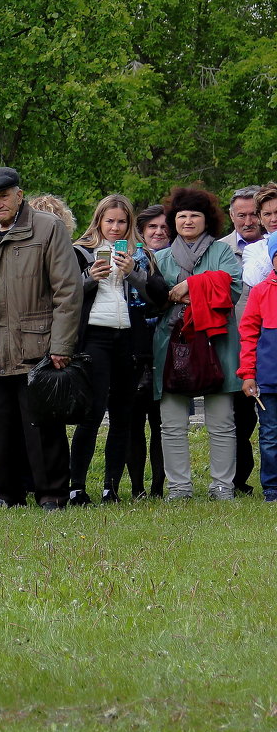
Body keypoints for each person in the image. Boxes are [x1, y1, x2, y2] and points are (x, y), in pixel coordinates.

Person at [0, 167, 81, 510]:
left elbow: (67, 292)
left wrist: (61, 345)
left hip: (38, 348)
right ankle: (5, 494)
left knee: (42, 426)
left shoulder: (48, 228)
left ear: (18, 195)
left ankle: (52, 493)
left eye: (3, 197)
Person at [68, 195, 168, 504]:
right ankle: (77, 487)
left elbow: (158, 300)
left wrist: (132, 274)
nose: (115, 227)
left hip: (129, 339)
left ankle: (111, 486)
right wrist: (89, 279)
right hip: (93, 338)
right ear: (98, 221)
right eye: (109, 221)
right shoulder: (79, 251)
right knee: (92, 412)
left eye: (121, 222)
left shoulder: (141, 255)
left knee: (123, 415)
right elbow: (63, 296)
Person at [152, 186, 241, 501]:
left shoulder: (221, 252)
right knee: (172, 423)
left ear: (207, 221)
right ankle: (179, 487)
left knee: (221, 421)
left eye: (195, 216)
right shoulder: (159, 256)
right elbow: (155, 297)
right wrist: (199, 289)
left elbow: (233, 289)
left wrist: (191, 284)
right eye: (182, 215)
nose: (188, 221)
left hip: (216, 343)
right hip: (172, 342)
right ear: (174, 220)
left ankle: (221, 486)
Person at [220, 186, 264, 496]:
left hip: (270, 343)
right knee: (239, 417)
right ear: (231, 216)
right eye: (241, 215)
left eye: (253, 214)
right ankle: (237, 479)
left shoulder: (271, 248)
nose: (248, 221)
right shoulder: (221, 250)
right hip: (236, 348)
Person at [126, 204, 169, 498]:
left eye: (165, 227)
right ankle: (138, 486)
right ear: (141, 231)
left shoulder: (173, 260)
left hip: (165, 349)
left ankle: (157, 487)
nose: (159, 232)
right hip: (132, 347)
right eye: (153, 227)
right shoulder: (130, 259)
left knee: (162, 423)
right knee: (133, 423)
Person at [237, 233, 277, 501]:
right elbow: (248, 336)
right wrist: (248, 375)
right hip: (269, 379)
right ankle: (272, 487)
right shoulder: (261, 291)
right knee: (270, 434)